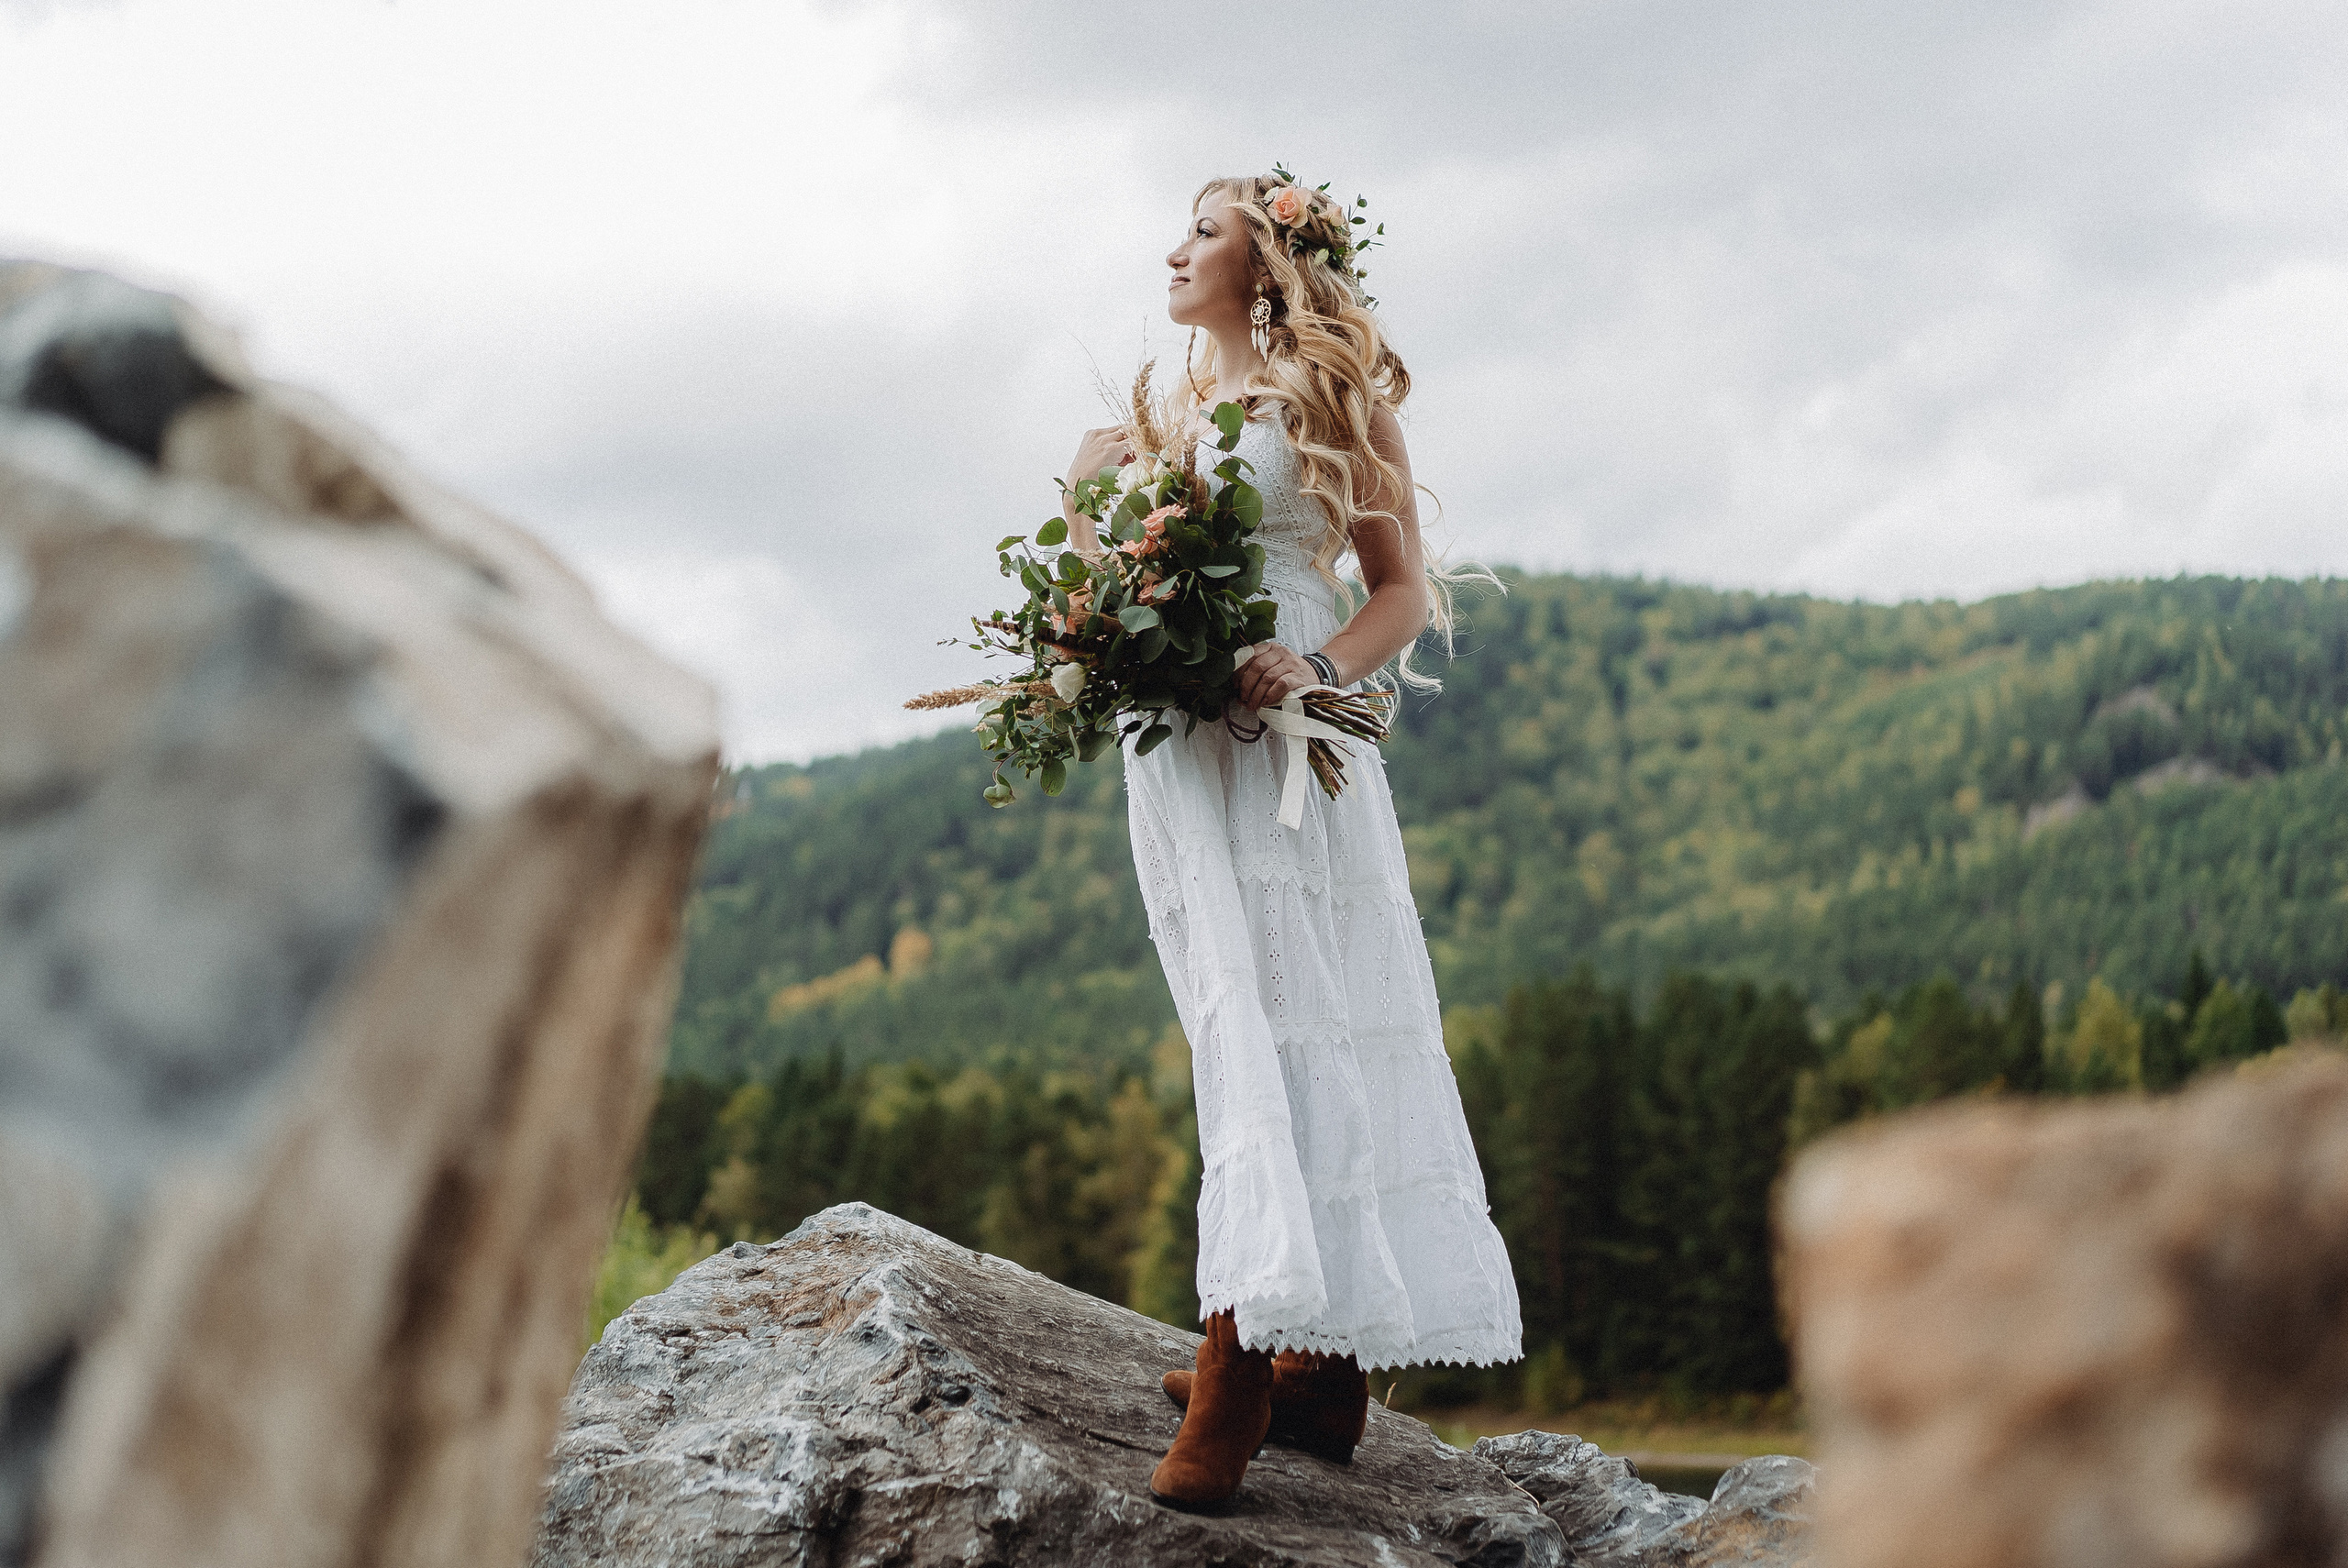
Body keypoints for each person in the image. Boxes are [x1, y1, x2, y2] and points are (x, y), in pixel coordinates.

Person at [1060, 171, 1522, 1509]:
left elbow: (1398, 593)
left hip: (1290, 751)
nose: (1173, 248)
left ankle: (1240, 1364)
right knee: (1230, 1020)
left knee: (1290, 1017)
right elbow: (1114, 592)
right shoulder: (1163, 418)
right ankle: (1312, 1359)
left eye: (1201, 229)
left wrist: (1307, 661)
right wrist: (1091, 506)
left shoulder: (1333, 398)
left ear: (1266, 260)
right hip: (1179, 751)